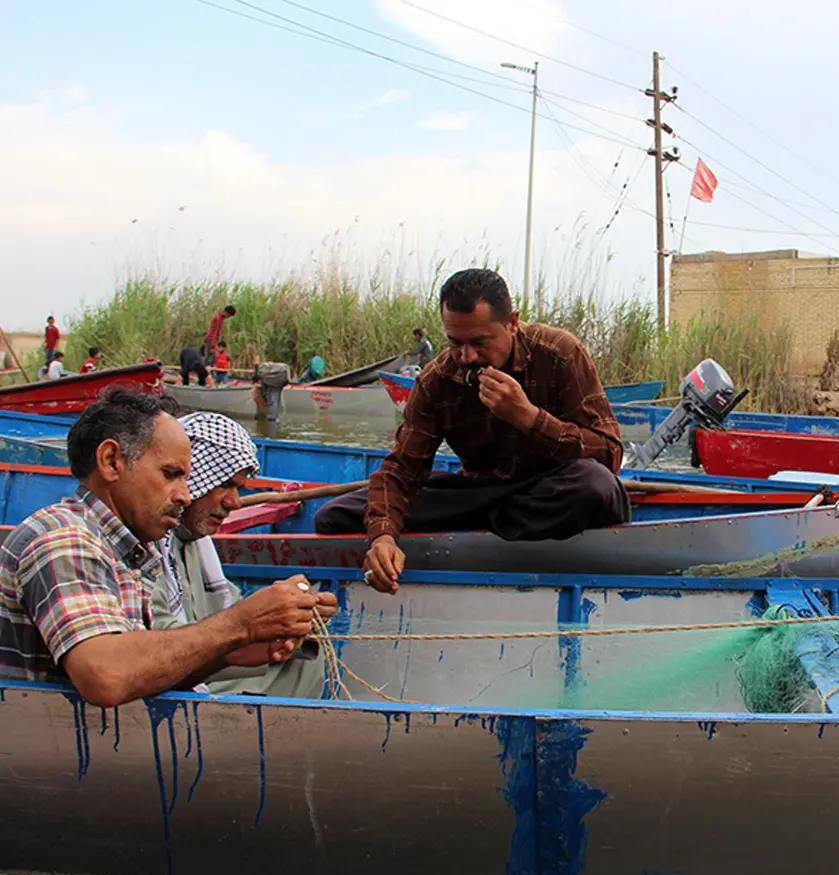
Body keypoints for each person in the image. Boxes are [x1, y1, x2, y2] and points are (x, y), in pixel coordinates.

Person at [0, 389, 336, 707]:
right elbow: (104, 675)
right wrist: (241, 624)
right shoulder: (64, 539)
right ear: (111, 461)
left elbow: (154, 668)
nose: (185, 495)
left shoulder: (126, 551)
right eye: (171, 474)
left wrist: (260, 634)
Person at [313, 268, 630, 593]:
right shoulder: (437, 380)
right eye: (455, 343)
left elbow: (608, 453)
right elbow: (402, 471)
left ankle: (471, 525)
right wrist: (382, 537)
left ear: (512, 322)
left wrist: (528, 418)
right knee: (335, 516)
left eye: (480, 343)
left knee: (596, 487)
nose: (467, 357)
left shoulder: (560, 353)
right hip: (478, 495)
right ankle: (488, 525)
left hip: (549, 489)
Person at [151, 412, 326, 697]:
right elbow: (160, 643)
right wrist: (251, 627)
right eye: (224, 485)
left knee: (304, 663)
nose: (234, 503)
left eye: (238, 489)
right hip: (171, 670)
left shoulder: (196, 542)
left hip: (207, 659)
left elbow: (229, 609)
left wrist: (294, 615)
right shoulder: (151, 543)